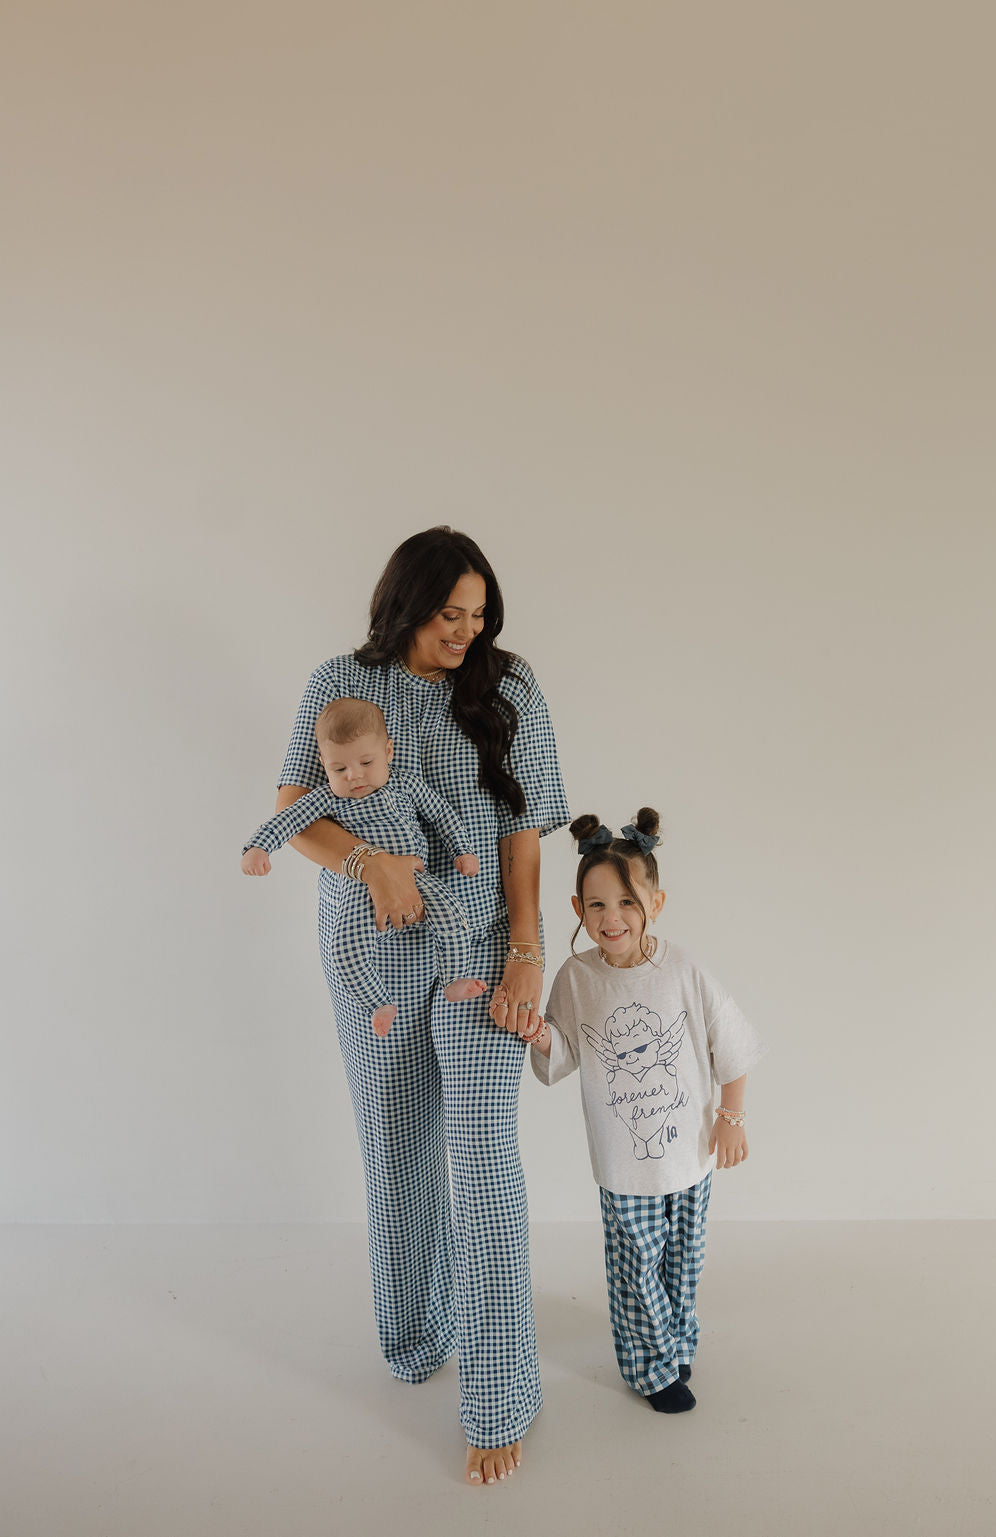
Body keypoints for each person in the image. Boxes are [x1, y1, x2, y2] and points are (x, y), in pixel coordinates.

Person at [269, 527, 568, 1485]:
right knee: (396, 1141)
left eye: (480, 617)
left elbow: (524, 836)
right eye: (450, 615)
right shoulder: (337, 685)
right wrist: (370, 864)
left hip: (482, 940)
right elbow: (292, 801)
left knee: (481, 1152)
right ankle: (413, 1332)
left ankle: (499, 1395)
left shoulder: (511, 687)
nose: (466, 632)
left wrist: (527, 954)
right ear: (406, 603)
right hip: (373, 944)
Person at [495, 808, 766, 1414]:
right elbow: (563, 1054)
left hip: (690, 1156)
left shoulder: (684, 969)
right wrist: (539, 1033)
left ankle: (676, 1343)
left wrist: (733, 1117)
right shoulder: (576, 976)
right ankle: (651, 1369)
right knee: (635, 1270)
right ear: (576, 910)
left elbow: (734, 1045)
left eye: (625, 902)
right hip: (624, 1166)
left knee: (684, 1262)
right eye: (596, 906)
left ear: (656, 902)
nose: (611, 919)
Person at [241, 697, 485, 1038]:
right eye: (339, 769)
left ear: (388, 752)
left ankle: (454, 980)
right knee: (343, 949)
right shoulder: (328, 797)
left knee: (455, 919)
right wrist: (258, 846)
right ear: (324, 764)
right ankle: (377, 1003)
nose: (354, 775)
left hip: (416, 875)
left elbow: (442, 814)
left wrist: (462, 851)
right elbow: (289, 819)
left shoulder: (406, 783)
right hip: (359, 887)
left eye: (365, 762)